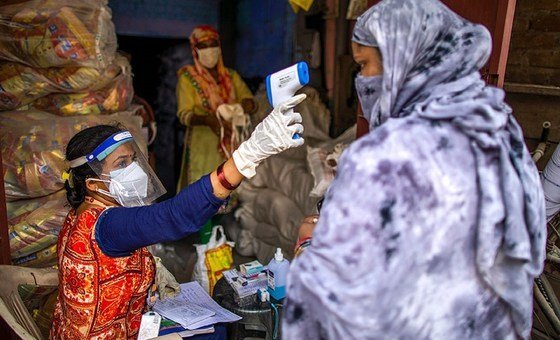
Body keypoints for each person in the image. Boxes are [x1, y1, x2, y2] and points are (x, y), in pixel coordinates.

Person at [284, 0, 546, 339]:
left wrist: (309, 247)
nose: (361, 82)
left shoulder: (386, 157)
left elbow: (324, 315)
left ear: (402, 60)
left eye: (364, 66)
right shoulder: (500, 132)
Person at [50, 93, 306, 339]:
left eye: (132, 160)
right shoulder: (107, 225)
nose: (134, 170)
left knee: (211, 328)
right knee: (216, 331)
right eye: (121, 165)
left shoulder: (82, 214)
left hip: (110, 326)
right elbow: (173, 217)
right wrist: (248, 155)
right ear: (94, 184)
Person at [176, 25, 256, 190]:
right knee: (202, 190)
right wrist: (207, 120)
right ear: (195, 50)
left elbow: (250, 100)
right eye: (203, 46)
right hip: (203, 146)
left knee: (230, 188)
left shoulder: (231, 76)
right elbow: (184, 115)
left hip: (232, 144)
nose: (209, 50)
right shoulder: (188, 78)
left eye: (213, 44)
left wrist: (248, 104)